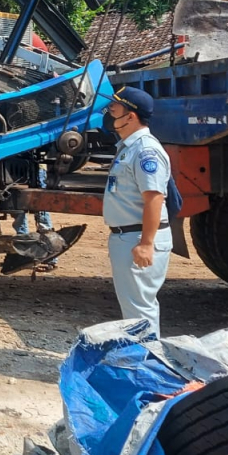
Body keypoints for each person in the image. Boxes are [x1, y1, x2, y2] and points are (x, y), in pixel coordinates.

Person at [102, 86, 173, 335]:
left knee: (140, 311)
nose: (109, 111)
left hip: (137, 237)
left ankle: (146, 365)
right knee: (134, 310)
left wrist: (146, 243)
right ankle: (141, 360)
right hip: (128, 236)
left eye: (115, 107)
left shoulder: (145, 151)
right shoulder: (129, 147)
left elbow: (154, 199)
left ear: (130, 116)